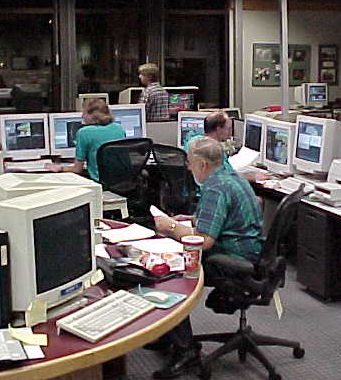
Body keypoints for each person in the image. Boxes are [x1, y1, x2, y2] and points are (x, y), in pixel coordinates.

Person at [151, 136, 264, 379]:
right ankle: (168, 334)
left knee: (170, 275)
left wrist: (170, 225)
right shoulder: (231, 178)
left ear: (202, 164)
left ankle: (186, 351)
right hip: (249, 252)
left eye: (190, 163)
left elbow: (204, 240)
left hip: (230, 260)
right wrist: (189, 220)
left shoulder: (215, 187)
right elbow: (220, 217)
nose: (188, 168)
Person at [48, 98, 125, 182]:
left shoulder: (84, 132)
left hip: (100, 184)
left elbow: (77, 170)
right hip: (120, 184)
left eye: (84, 113)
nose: (82, 116)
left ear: (92, 115)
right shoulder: (119, 128)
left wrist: (60, 167)